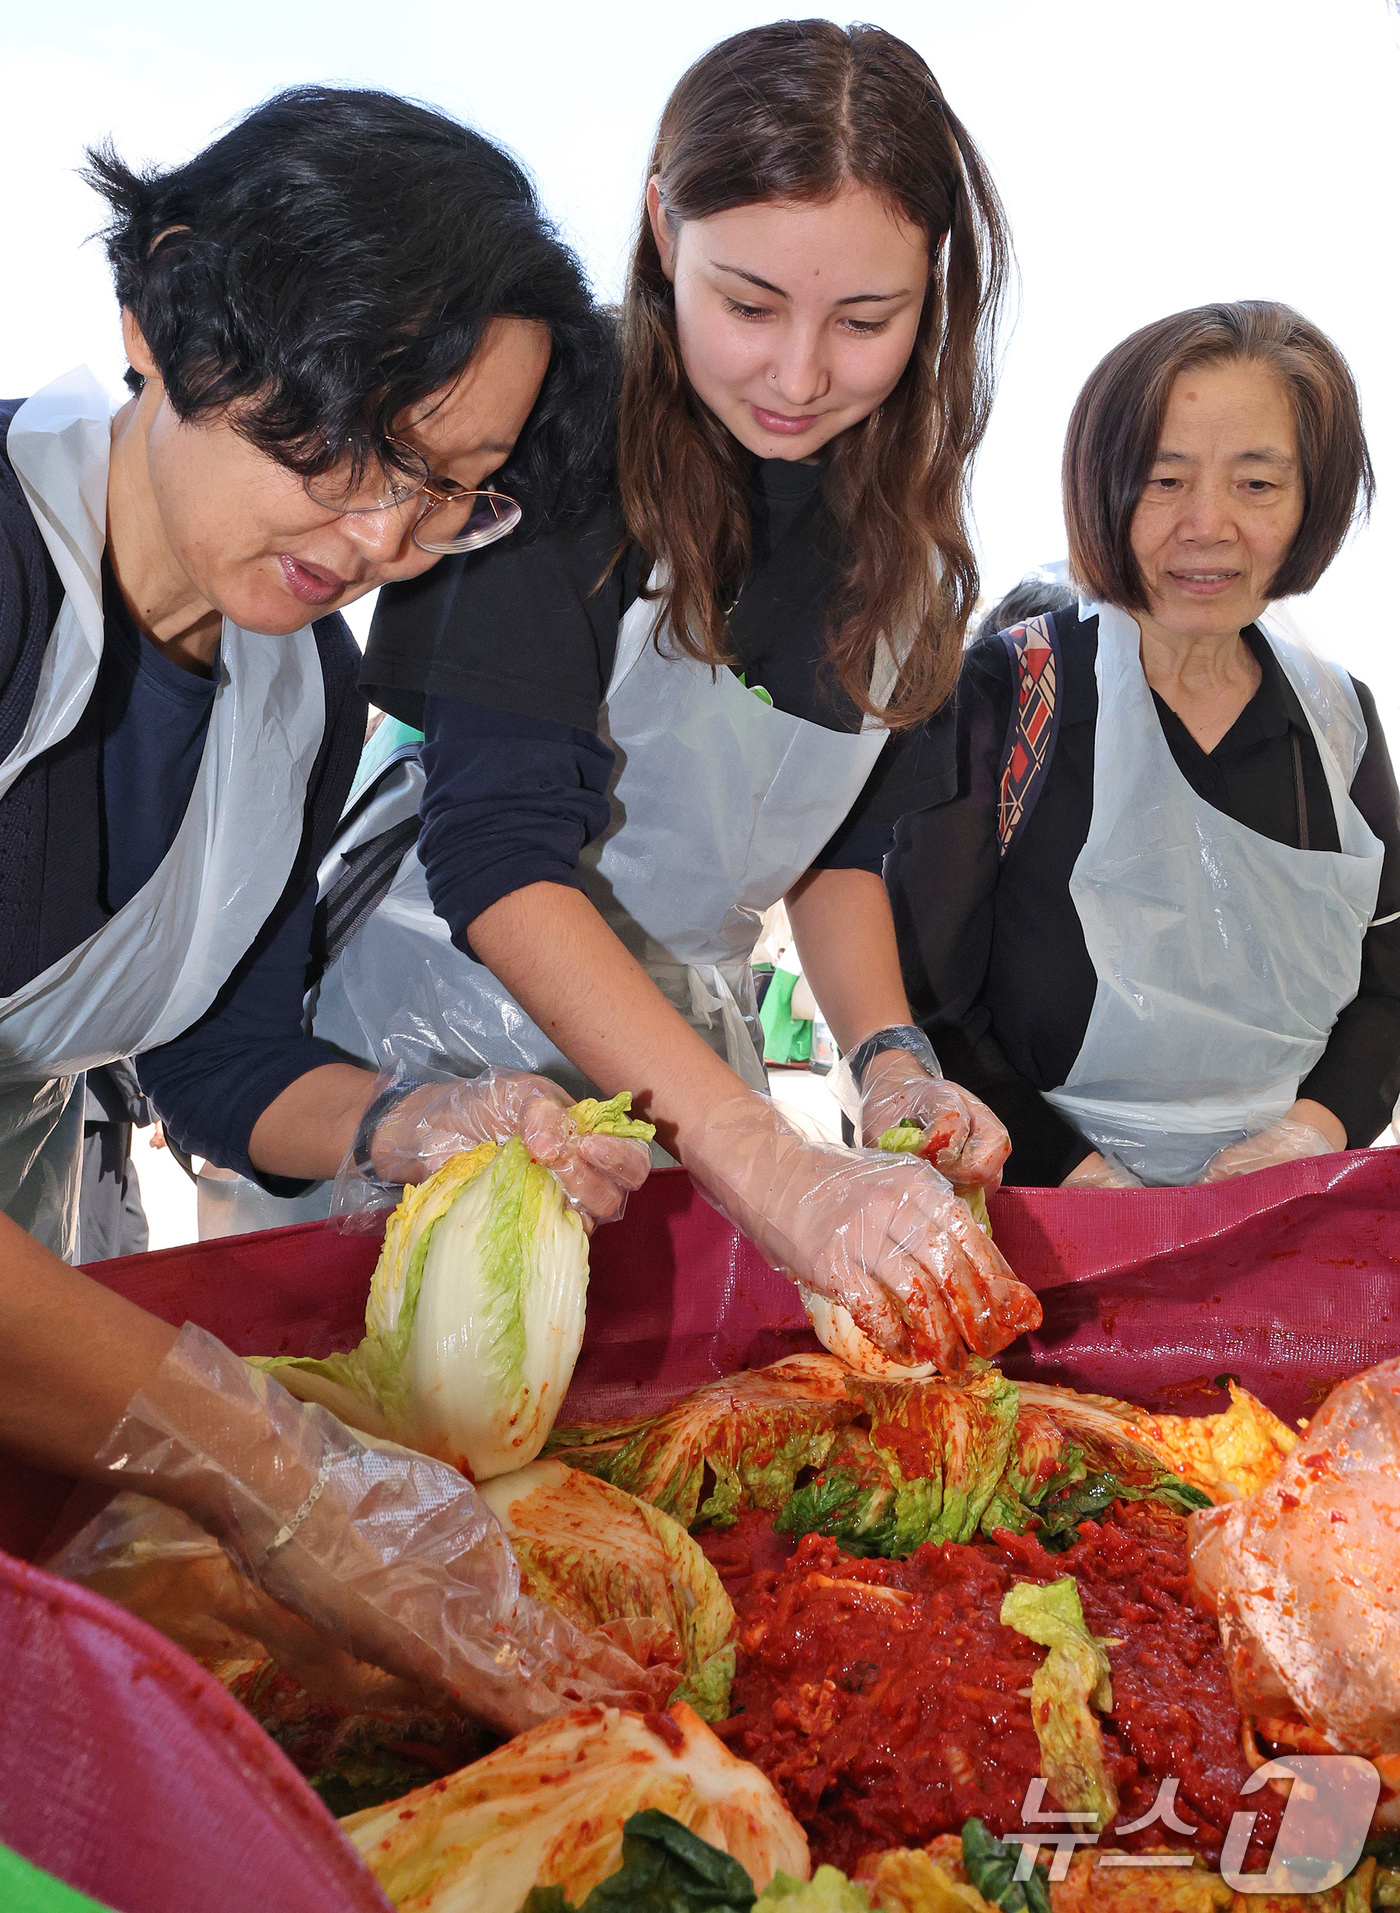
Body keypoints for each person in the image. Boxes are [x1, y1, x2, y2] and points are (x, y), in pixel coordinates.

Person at [0, 87, 654, 1717]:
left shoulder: (299, 689)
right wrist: (262, 1462)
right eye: (342, 442)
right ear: (168, 318)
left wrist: (420, 1119)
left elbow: (217, 1059)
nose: (381, 533)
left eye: (454, 485)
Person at [303, 20, 1041, 1375]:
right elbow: (501, 854)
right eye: (747, 305)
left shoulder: (909, 548)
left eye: (865, 320)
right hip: (434, 1026)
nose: (800, 374)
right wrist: (769, 1162)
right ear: (661, 227)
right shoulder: (558, 425)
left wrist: (888, 1064)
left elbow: (837, 855)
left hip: (684, 1063)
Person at [889, 300, 1398, 1188]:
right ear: (1103, 487)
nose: (1207, 525)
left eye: (1257, 483)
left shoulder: (1336, 719)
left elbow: (1391, 989)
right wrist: (1085, 1183)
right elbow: (928, 1004)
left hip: (1277, 1216)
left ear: (1310, 499)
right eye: (1164, 481)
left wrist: (1304, 1139)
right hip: (1035, 1219)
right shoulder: (1006, 693)